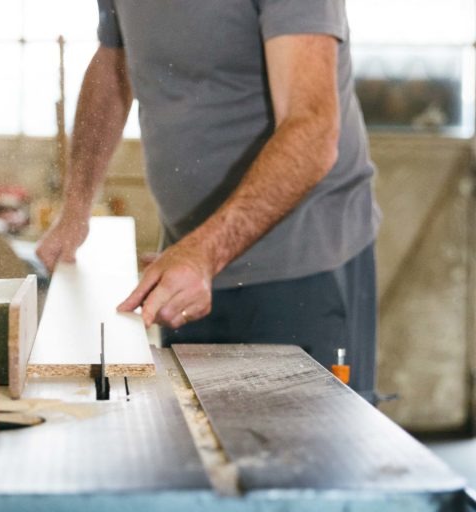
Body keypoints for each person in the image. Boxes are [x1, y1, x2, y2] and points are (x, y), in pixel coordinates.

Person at [36, 0, 380, 402]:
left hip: (300, 269)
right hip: (190, 264)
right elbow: (115, 63)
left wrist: (203, 254)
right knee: (193, 449)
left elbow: (313, 131)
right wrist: (76, 209)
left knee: (297, 456)